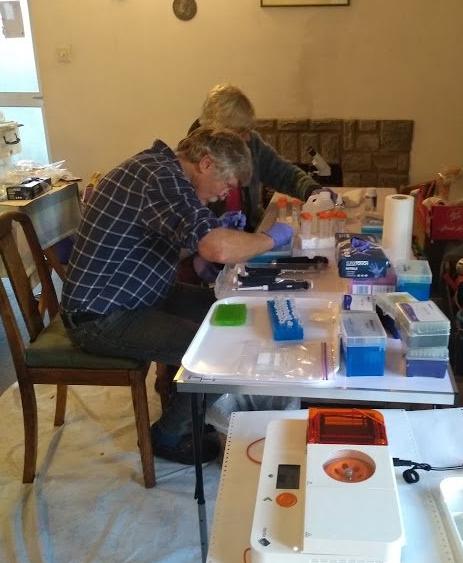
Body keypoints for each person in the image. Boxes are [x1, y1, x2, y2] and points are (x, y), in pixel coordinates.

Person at [60, 127, 293, 465]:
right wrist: (271, 239)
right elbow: (217, 247)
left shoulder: (161, 170)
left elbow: (184, 244)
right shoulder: (159, 179)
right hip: (100, 316)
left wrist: (204, 250)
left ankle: (181, 396)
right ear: (207, 163)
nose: (223, 194)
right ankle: (167, 435)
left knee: (229, 311)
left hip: (138, 294)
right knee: (218, 350)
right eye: (226, 184)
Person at [189, 83, 325, 230]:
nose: (247, 138)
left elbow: (284, 174)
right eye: (241, 132)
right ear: (218, 131)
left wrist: (312, 190)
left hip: (250, 234)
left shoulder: (251, 144)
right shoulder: (192, 163)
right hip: (219, 246)